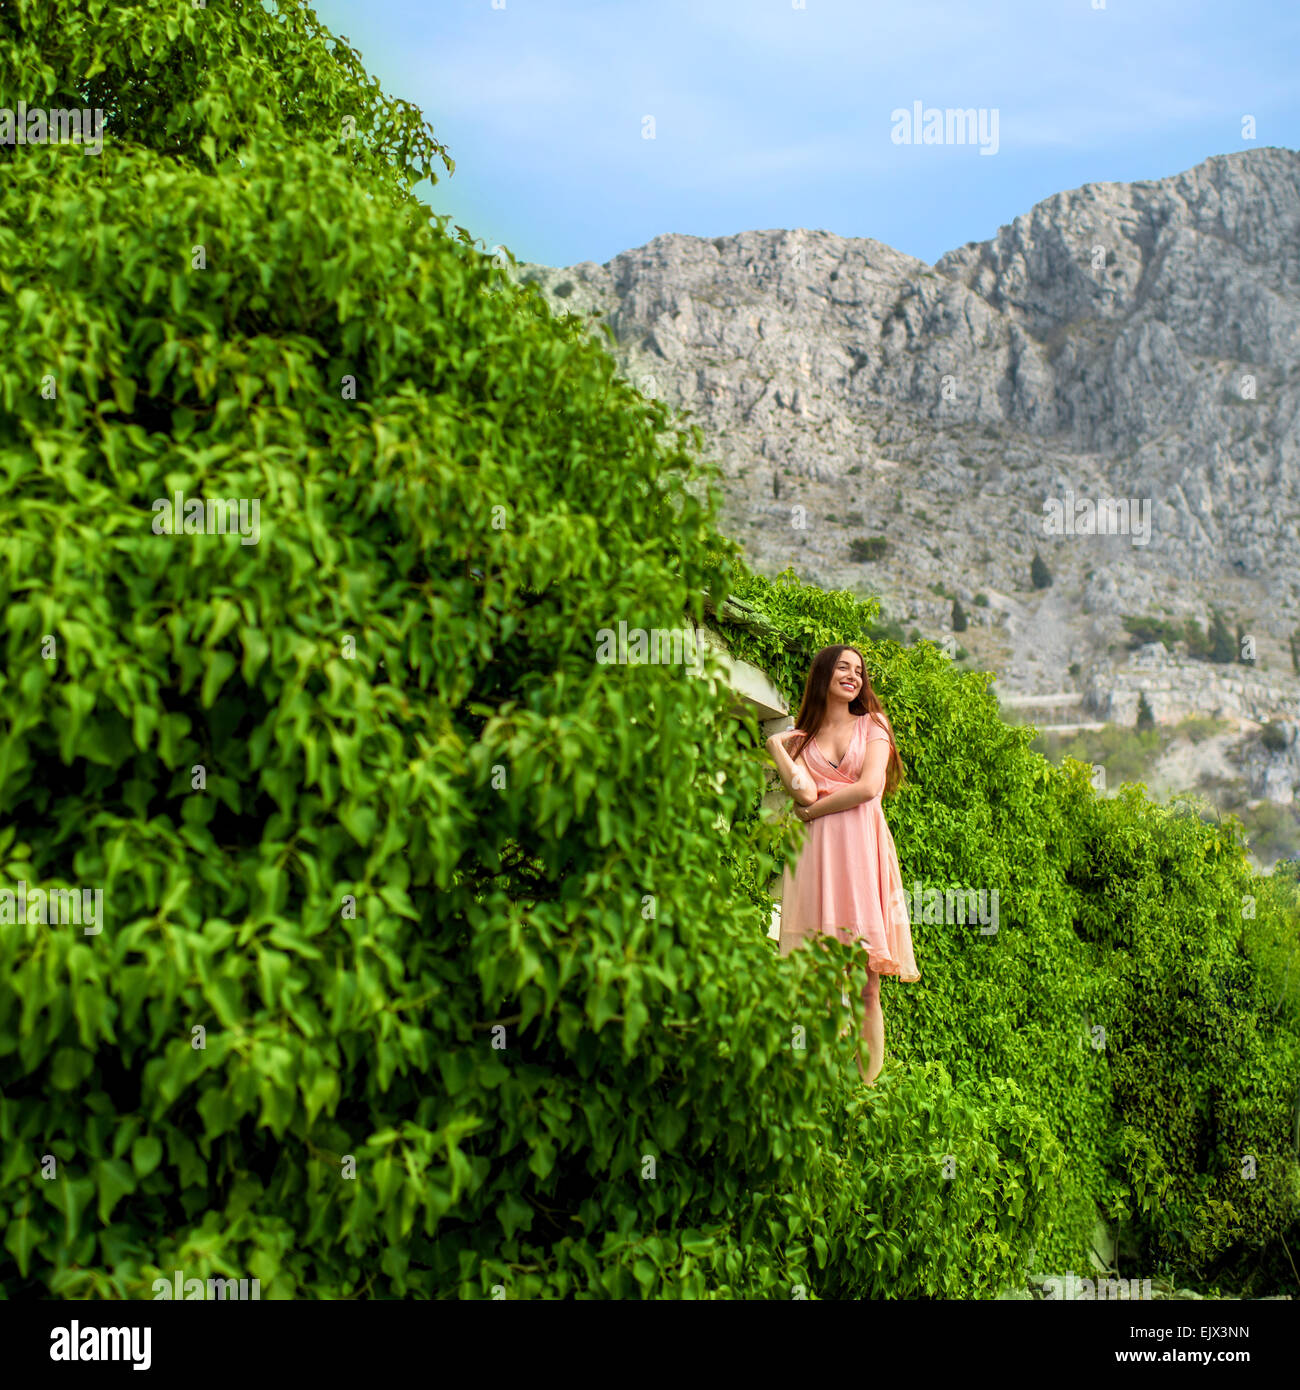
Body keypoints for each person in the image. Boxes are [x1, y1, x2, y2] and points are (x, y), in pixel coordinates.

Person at [766, 644, 919, 1084]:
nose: (853, 675)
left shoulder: (872, 724)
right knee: (820, 979)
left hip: (859, 851)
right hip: (818, 859)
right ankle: (821, 1080)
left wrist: (812, 812)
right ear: (823, 675)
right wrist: (778, 745)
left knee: (867, 983)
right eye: (842, 667)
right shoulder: (805, 739)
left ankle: (867, 1088)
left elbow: (870, 786)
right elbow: (802, 792)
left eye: (859, 670)